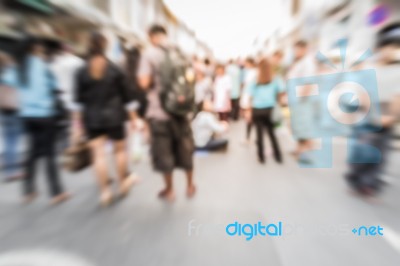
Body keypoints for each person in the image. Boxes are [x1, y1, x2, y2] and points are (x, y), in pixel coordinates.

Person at [74, 32, 137, 207]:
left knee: (98, 156)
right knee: (119, 152)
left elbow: (78, 104)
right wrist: (135, 119)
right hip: (115, 117)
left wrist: (77, 127)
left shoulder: (81, 71)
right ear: (105, 46)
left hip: (92, 119)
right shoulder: (116, 69)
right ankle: (122, 184)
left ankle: (105, 193)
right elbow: (128, 98)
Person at [137, 24, 195, 202]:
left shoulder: (150, 54)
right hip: (182, 111)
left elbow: (144, 83)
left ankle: (170, 190)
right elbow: (191, 79)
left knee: (164, 152)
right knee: (185, 149)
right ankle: (190, 185)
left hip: (160, 113)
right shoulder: (181, 53)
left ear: (151, 36)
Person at [17, 38, 69, 204]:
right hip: (45, 114)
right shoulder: (41, 65)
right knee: (49, 154)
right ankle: (56, 193)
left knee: (32, 153)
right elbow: (54, 86)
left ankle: (28, 191)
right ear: (34, 48)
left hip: (26, 115)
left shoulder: (20, 67)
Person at [286, 40, 317, 164]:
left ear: (304, 49)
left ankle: (306, 153)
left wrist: (300, 100)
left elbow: (308, 83)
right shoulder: (299, 62)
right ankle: (299, 149)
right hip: (296, 100)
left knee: (304, 128)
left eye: (297, 49)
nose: (295, 52)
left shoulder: (308, 63)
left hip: (303, 101)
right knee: (298, 127)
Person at [248, 58, 284, 164]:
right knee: (271, 133)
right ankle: (278, 156)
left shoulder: (255, 80)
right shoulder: (275, 78)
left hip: (257, 109)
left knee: (259, 135)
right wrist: (278, 102)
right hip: (269, 109)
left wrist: (249, 111)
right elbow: (281, 92)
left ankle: (261, 157)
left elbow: (250, 96)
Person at [0, 51, 24, 182]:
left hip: (3, 110)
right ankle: (13, 171)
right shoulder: (12, 72)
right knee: (13, 141)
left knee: (7, 140)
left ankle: (8, 169)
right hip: (14, 110)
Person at [240, 57, 257, 143]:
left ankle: (248, 138)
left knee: (250, 118)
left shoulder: (254, 72)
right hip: (248, 98)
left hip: (250, 99)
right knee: (249, 119)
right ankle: (249, 137)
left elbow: (251, 88)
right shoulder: (250, 72)